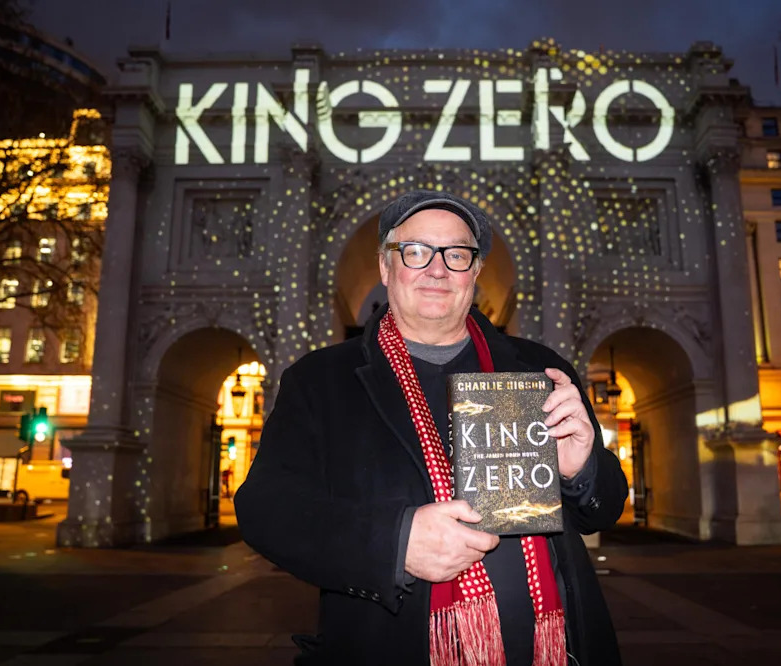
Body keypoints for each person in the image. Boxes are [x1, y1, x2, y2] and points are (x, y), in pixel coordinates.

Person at [235, 189, 628, 666]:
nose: (437, 269)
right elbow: (265, 510)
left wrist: (582, 468)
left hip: (552, 651)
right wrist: (394, 543)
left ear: (476, 271)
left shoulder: (540, 371)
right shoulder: (320, 381)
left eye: (456, 254)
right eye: (416, 252)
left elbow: (602, 509)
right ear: (386, 267)